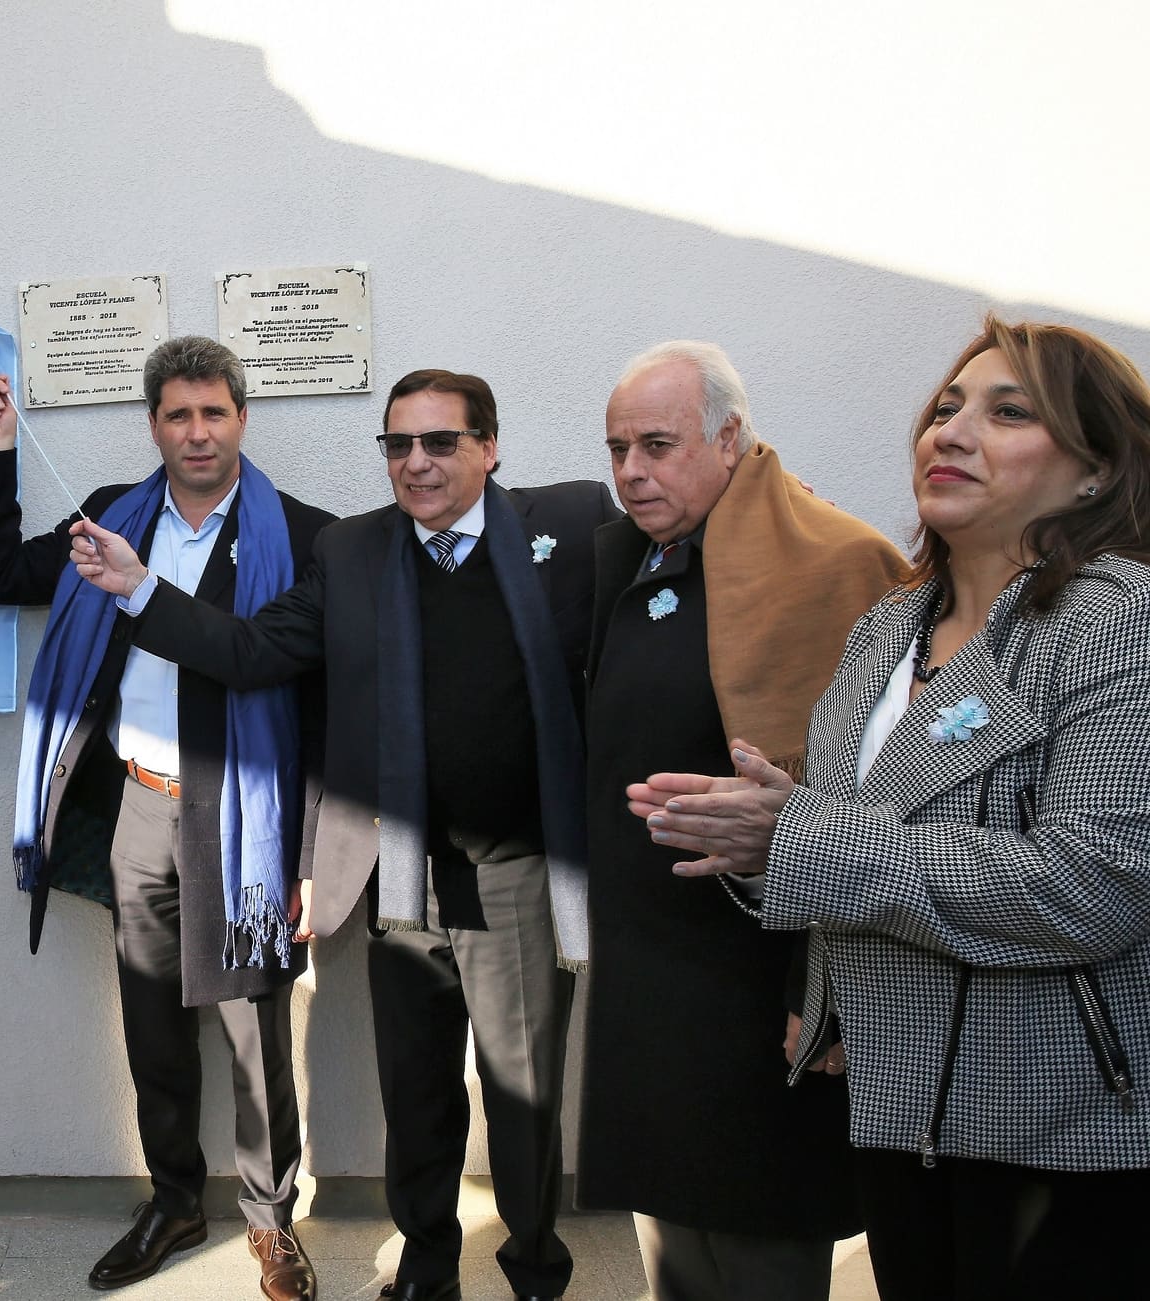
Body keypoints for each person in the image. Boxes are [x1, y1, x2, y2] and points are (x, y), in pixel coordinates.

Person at [74, 367, 618, 1301]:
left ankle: (534, 1264)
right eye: (398, 444)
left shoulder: (571, 531)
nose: (417, 463)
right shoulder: (358, 552)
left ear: (489, 447)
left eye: (440, 442)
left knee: (523, 1094)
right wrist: (137, 591)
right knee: (416, 1095)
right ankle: (429, 1267)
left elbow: (672, 558)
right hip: (401, 874)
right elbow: (249, 652)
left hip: (519, 869)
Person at [634, 317, 1150, 1300]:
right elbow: (837, 838)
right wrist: (756, 853)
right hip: (895, 1107)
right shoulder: (886, 629)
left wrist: (797, 834)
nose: (948, 433)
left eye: (1006, 412)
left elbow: (1092, 886)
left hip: (1063, 1126)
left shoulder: (1114, 617)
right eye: (944, 407)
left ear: (1092, 471)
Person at [0, 337, 333, 1298]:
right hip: (140, 811)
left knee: (254, 1039)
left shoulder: (307, 536)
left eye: (214, 412)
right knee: (153, 1030)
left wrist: (314, 849)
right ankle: (174, 1198)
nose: (197, 432)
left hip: (245, 821)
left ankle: (270, 1221)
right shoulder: (113, 523)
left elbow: (298, 687)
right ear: (153, 424)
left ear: (243, 417)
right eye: (177, 414)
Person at [578, 341, 903, 1299]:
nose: (632, 470)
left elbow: (876, 800)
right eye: (617, 448)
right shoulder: (632, 556)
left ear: (729, 439)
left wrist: (826, 981)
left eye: (658, 444)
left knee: (761, 1225)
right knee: (672, 1223)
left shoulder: (835, 563)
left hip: (765, 966)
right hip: (651, 953)